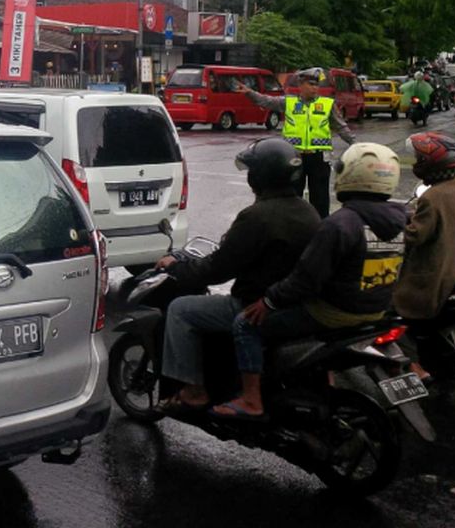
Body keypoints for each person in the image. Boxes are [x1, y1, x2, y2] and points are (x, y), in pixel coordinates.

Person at [212, 143, 407, 419]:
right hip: (377, 310)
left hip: (335, 313)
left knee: (246, 323)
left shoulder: (340, 224)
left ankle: (251, 400)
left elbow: (306, 279)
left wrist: (269, 300)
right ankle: (319, 380)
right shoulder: (400, 223)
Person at [153, 138, 322, 412]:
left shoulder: (257, 216)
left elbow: (217, 269)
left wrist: (177, 267)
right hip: (291, 304)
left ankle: (194, 390)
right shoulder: (308, 210)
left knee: (181, 309)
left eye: (252, 171)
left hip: (254, 304)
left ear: (260, 175)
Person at [234, 67, 356, 218]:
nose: (314, 88)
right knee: (292, 196)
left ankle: (321, 228)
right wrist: (249, 93)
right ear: (301, 85)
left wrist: (355, 145)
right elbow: (265, 101)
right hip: (294, 157)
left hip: (319, 158)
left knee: (320, 199)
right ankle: (293, 225)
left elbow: (341, 127)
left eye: (316, 85)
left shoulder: (327, 104)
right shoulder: (288, 102)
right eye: (310, 84)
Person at [396, 133, 455, 336]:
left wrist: (395, 226)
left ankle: (416, 358)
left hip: (439, 273)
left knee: (404, 307)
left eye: (419, 159)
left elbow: (415, 236)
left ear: (430, 164)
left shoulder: (432, 197)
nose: (416, 163)